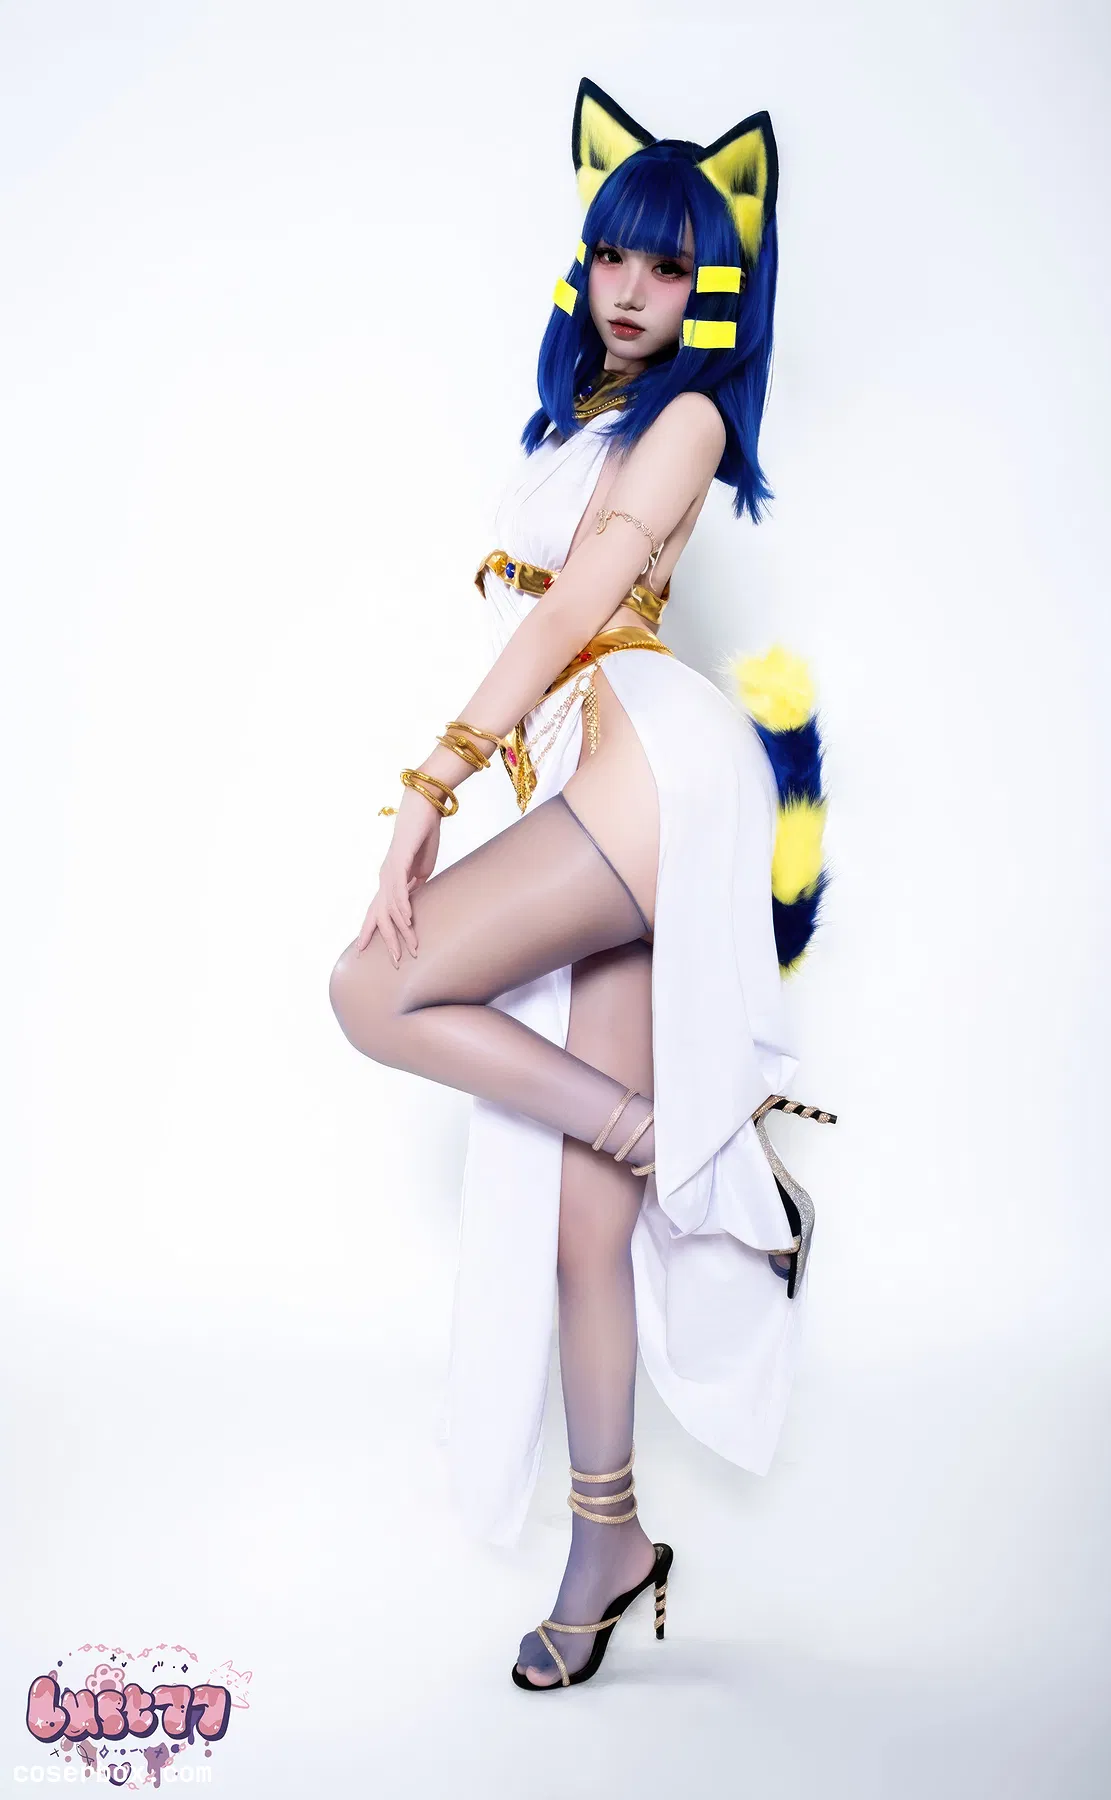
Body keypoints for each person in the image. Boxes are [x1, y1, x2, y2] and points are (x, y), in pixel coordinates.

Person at [328, 76, 836, 1691]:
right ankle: (608, 1537)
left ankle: (694, 1155)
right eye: (614, 254)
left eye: (671, 266)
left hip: (653, 771)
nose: (632, 289)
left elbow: (568, 617)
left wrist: (427, 789)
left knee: (371, 986)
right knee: (579, 1231)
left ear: (716, 291)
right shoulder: (588, 423)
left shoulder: (689, 419)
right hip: (602, 786)